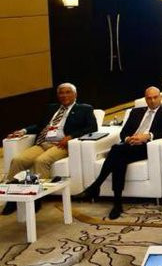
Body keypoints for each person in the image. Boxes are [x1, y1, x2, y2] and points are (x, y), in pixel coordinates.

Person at [78, 87, 162, 219]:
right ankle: (117, 203)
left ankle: (96, 186)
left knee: (116, 149)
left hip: (146, 147)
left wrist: (147, 136)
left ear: (160, 97)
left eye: (155, 97)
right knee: (119, 160)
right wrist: (129, 139)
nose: (152, 101)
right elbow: (123, 133)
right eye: (149, 98)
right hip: (129, 145)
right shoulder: (136, 112)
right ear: (145, 99)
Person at [3, 84, 97, 215]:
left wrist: (71, 136)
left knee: (41, 161)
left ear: (75, 94)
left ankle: (37, 198)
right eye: (61, 93)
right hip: (43, 142)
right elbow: (39, 126)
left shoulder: (84, 109)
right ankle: (12, 198)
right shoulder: (51, 108)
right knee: (18, 160)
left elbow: (92, 127)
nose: (64, 95)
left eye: (68, 92)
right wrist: (23, 131)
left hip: (61, 145)